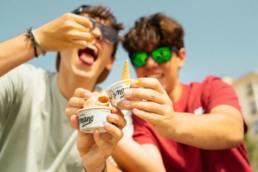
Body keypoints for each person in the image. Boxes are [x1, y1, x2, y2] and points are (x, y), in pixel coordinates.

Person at [112, 13, 252, 171]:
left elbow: (232, 130)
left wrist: (171, 122)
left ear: (181, 57)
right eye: (140, 57)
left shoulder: (210, 88)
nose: (150, 63)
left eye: (161, 54)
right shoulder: (141, 115)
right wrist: (106, 130)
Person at [0, 5, 125, 172]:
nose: (96, 34)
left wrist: (96, 166)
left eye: (108, 34)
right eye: (85, 25)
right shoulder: (22, 81)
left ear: (110, 61)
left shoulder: (116, 113)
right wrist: (37, 40)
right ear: (61, 41)